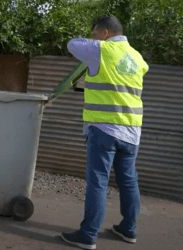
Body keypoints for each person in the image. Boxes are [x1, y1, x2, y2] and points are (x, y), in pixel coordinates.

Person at [60, 16, 149, 249]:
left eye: (96, 32)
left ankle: (88, 235)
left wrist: (94, 40)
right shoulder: (137, 58)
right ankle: (129, 230)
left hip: (105, 128)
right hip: (132, 130)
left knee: (98, 181)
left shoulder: (101, 49)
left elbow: (72, 44)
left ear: (106, 33)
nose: (94, 36)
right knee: (128, 181)